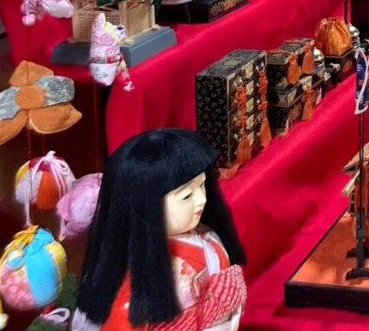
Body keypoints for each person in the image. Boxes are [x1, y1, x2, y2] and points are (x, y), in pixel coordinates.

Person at [74, 128, 246, 331]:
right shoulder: (138, 271)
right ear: (145, 205)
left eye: (201, 186)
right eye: (186, 196)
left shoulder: (203, 233)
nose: (201, 199)